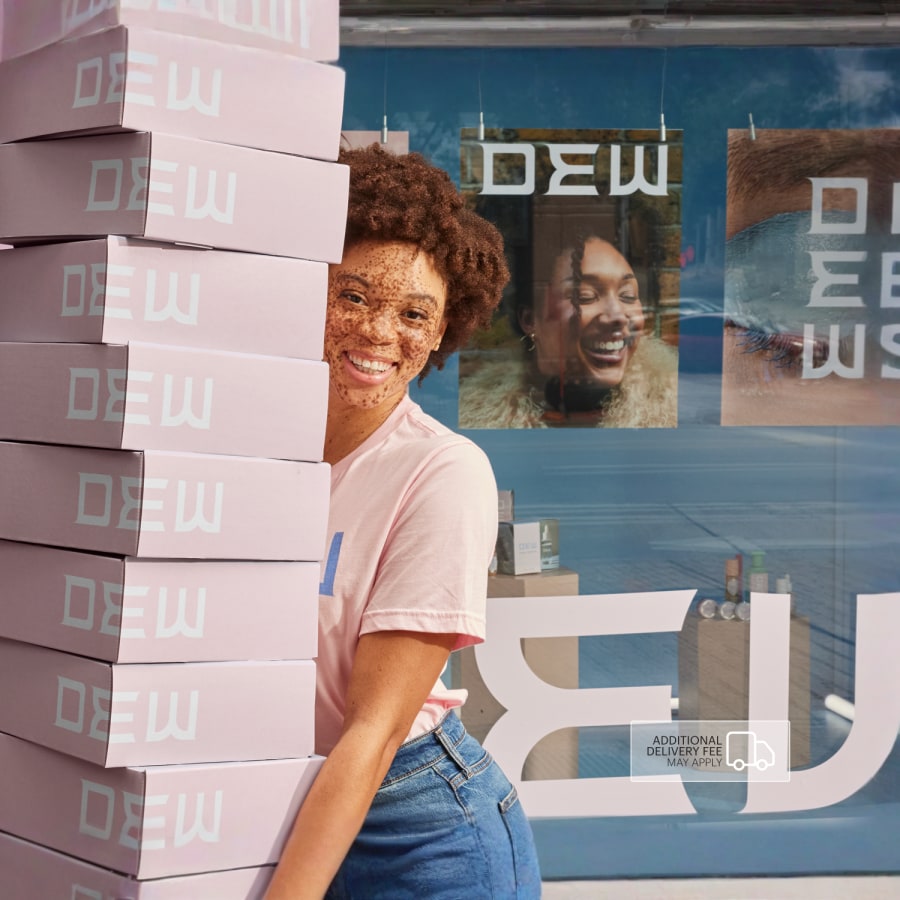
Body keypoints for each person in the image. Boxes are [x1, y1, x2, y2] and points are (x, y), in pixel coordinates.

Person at [264, 144, 542, 900]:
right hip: (277, 803)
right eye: (353, 296)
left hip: (416, 830)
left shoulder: (442, 473)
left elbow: (375, 730)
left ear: (444, 331)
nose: (381, 332)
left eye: (415, 314)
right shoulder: (251, 445)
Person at [459, 235, 678, 428]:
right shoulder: (475, 421)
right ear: (529, 320)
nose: (618, 316)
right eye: (585, 296)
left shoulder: (671, 413)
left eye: (628, 296)